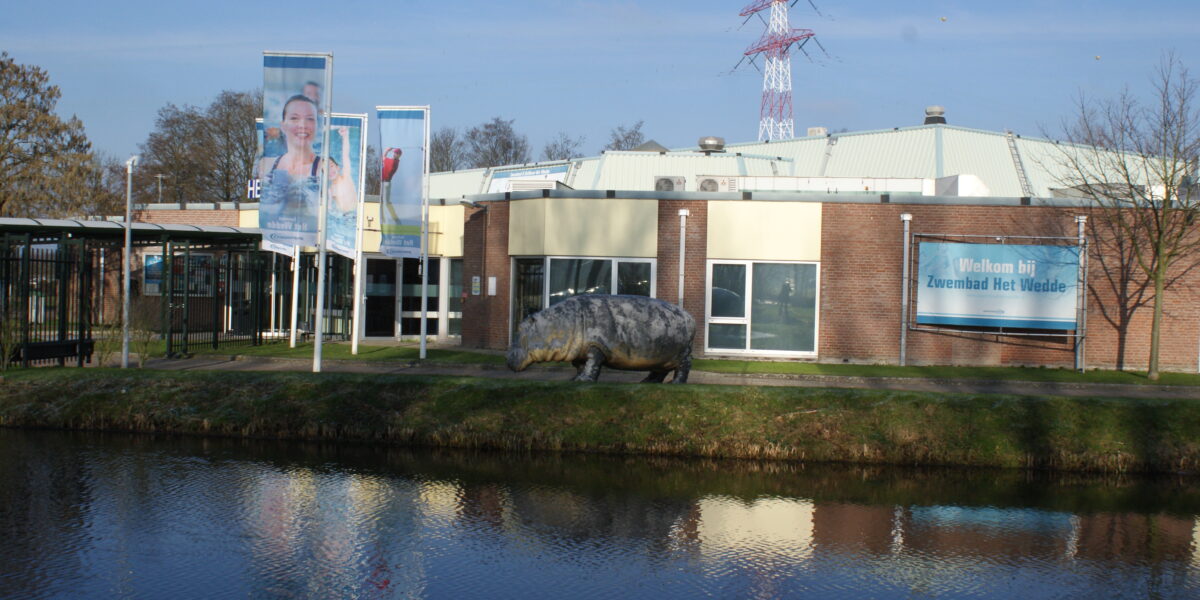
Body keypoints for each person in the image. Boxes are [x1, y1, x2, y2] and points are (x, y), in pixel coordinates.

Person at [255, 95, 357, 226]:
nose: (302, 125)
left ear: (316, 126)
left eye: (309, 119)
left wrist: (345, 137)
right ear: (283, 125)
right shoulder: (267, 164)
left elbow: (346, 156)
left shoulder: (323, 167)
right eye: (294, 118)